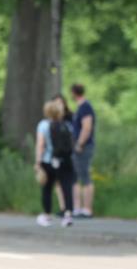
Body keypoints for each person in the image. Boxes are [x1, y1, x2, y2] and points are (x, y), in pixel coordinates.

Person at [34, 99, 75, 227]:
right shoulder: (67, 125)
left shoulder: (43, 125)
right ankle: (68, 215)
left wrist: (38, 162)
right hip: (65, 161)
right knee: (66, 187)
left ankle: (47, 215)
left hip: (48, 160)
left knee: (47, 188)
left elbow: (41, 144)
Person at [70, 83, 96, 218]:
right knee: (76, 176)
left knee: (85, 175)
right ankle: (78, 208)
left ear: (74, 93)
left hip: (84, 146)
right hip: (79, 146)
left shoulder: (85, 107)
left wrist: (80, 143)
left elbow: (87, 127)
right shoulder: (81, 107)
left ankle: (87, 209)